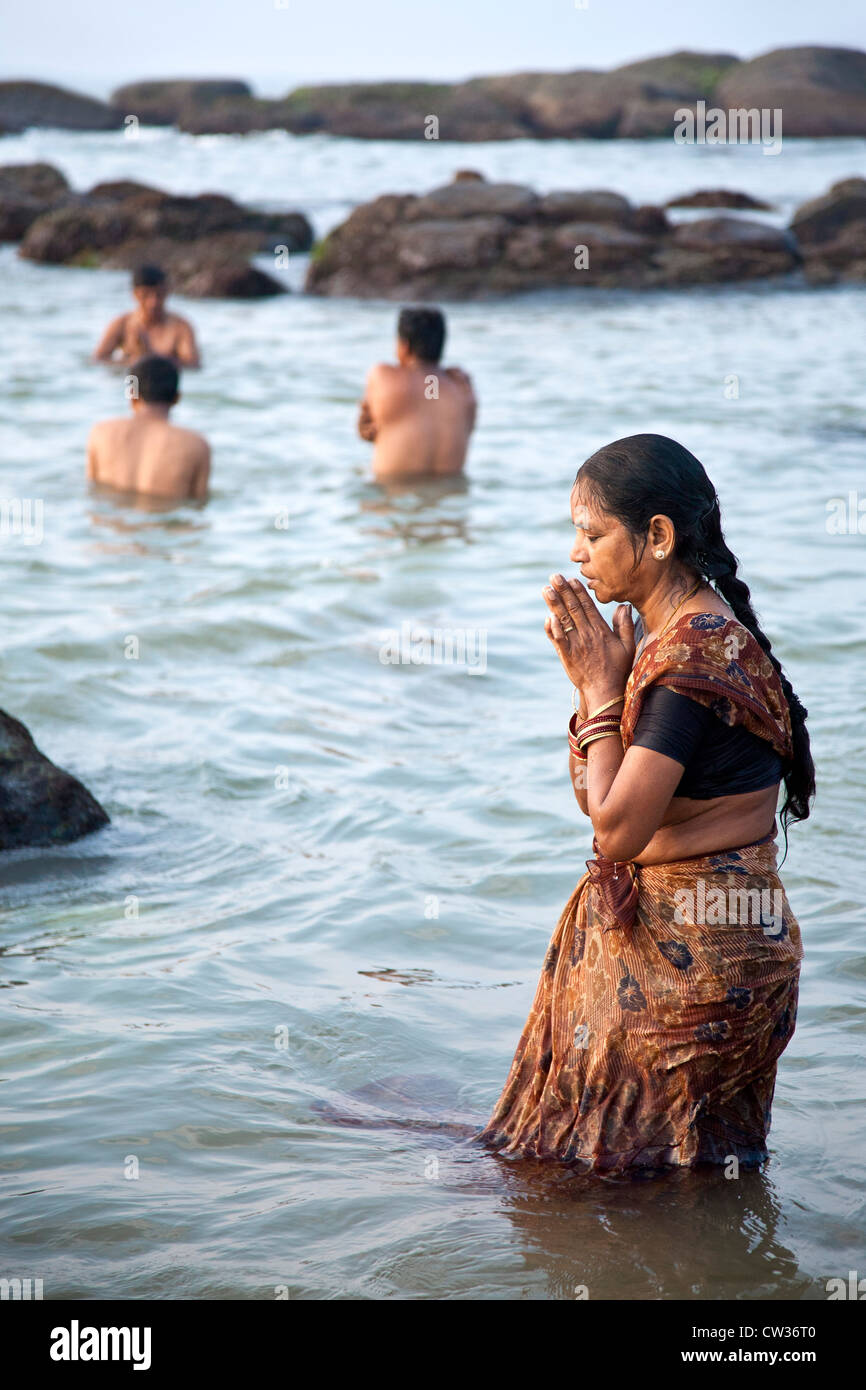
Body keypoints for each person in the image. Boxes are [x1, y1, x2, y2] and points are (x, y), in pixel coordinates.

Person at [478, 434, 814, 1172]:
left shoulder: (688, 656)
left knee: (600, 1184)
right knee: (705, 1179)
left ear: (657, 535)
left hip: (693, 975)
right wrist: (601, 688)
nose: (577, 552)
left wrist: (600, 691)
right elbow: (605, 802)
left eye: (592, 533)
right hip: (745, 954)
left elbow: (618, 831)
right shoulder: (696, 636)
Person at [357, 306, 476, 484]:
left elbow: (366, 431)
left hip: (394, 496)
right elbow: (430, 397)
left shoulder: (382, 377)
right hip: (449, 501)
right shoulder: (464, 389)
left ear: (404, 346)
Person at [86, 355, 210, 502]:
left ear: (132, 394)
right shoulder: (196, 444)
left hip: (113, 522)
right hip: (165, 520)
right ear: (177, 398)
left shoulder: (100, 433)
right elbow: (198, 505)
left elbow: (92, 492)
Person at [92, 264, 201, 369]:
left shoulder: (180, 327)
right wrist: (131, 361)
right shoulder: (122, 324)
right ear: (135, 294)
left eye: (159, 294)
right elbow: (97, 360)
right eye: (146, 295)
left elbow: (192, 364)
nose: (153, 302)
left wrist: (149, 356)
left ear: (167, 292)